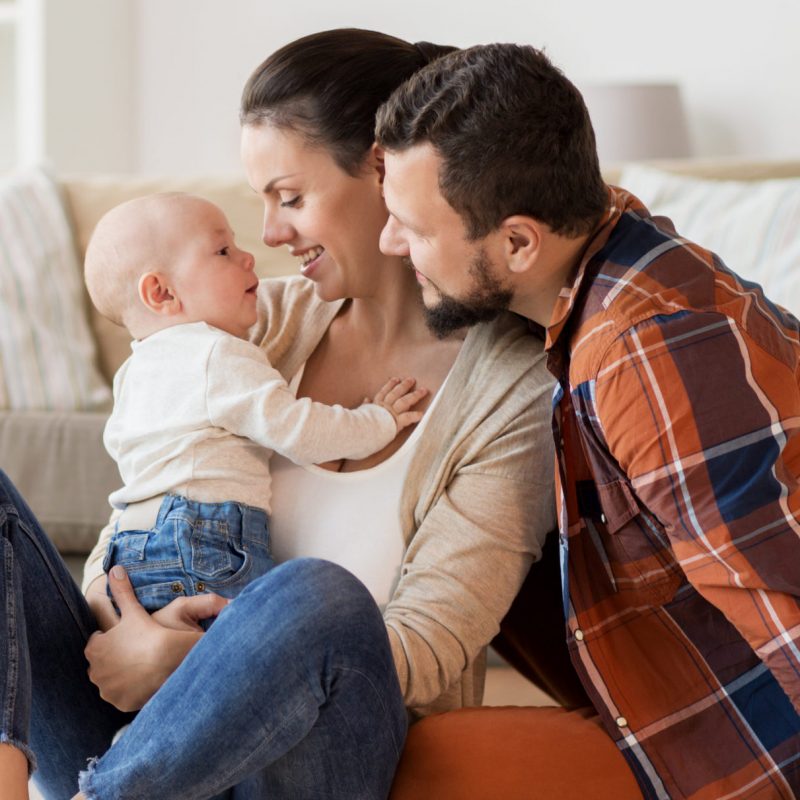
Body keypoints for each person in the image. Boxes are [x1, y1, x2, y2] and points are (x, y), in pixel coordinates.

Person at [0, 30, 556, 800]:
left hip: (313, 766)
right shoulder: (256, 320)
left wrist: (197, 666)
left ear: (385, 171)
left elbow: (426, 647)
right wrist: (118, 616)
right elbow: (144, 506)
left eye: (290, 198)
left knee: (316, 595)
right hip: (137, 741)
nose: (268, 236)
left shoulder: (512, 392)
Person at [375, 42, 800, 798]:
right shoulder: (622, 247)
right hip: (666, 697)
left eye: (411, 225)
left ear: (517, 242)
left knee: (432, 769)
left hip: (740, 753)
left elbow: (784, 611)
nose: (390, 243)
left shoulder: (643, 357)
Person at [84, 191, 426, 616]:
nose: (248, 257)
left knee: (173, 676)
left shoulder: (133, 373)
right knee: (257, 652)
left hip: (132, 549)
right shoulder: (217, 354)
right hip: (202, 544)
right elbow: (299, 431)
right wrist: (378, 421)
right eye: (223, 251)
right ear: (162, 292)